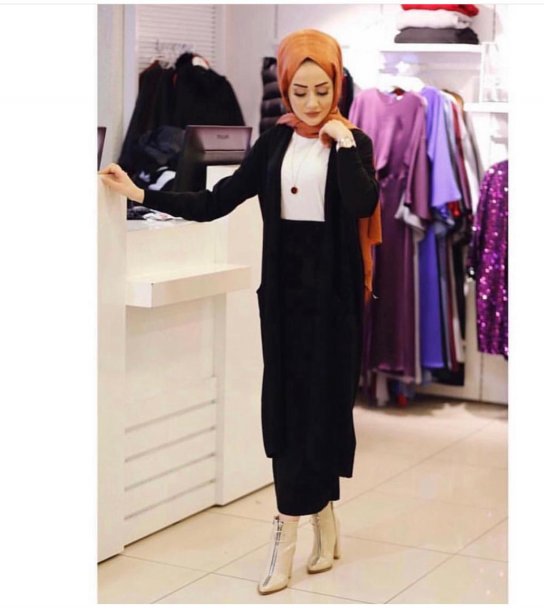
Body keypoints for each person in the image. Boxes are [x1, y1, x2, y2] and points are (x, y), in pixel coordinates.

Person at [99, 28, 380, 595]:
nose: (311, 102)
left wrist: (345, 145)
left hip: (334, 303)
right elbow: (215, 201)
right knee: (285, 415)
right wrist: (142, 194)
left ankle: (318, 521)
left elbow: (363, 202)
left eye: (322, 90)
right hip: (283, 300)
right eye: (299, 91)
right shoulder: (274, 145)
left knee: (323, 413)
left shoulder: (354, 142)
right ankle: (294, 529)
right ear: (285, 87)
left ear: (338, 86)